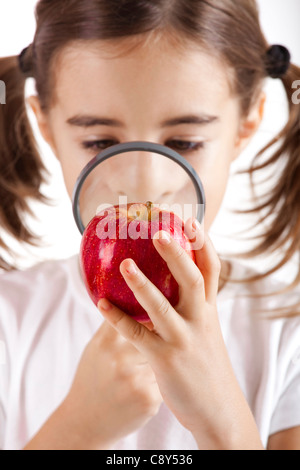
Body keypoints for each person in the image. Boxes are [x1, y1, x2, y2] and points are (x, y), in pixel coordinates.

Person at [0, 0, 299, 450]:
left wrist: (222, 422)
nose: (144, 185)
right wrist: (77, 429)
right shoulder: (9, 320)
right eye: (100, 141)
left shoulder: (288, 334)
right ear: (44, 123)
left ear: (248, 121)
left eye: (184, 142)